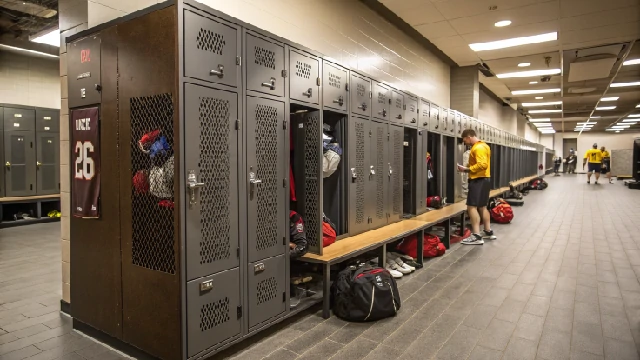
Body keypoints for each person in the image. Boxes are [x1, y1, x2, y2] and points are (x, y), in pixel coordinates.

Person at [457, 129, 495, 245]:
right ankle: (488, 231)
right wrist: (467, 168)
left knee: (471, 207)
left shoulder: (478, 148)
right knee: (482, 206)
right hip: (484, 179)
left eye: (465, 140)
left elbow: (482, 165)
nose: (465, 143)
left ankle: (476, 236)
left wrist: (467, 169)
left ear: (469, 137)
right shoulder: (484, 146)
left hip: (478, 180)